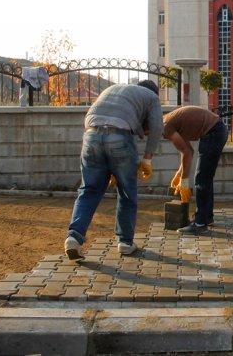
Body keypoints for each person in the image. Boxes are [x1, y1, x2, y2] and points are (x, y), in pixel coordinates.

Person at [64, 80, 163, 260]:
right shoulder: (152, 97)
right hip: (120, 136)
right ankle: (125, 242)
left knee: (89, 190)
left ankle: (74, 237)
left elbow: (95, 117)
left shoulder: (114, 90)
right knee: (126, 191)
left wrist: (107, 164)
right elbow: (157, 126)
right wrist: (148, 158)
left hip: (90, 135)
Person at [163, 105, 228, 234]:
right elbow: (188, 151)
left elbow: (186, 152)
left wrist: (184, 181)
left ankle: (199, 224)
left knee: (201, 179)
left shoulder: (165, 126)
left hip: (213, 133)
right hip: (217, 130)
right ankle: (207, 218)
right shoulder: (170, 121)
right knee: (206, 179)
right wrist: (179, 173)